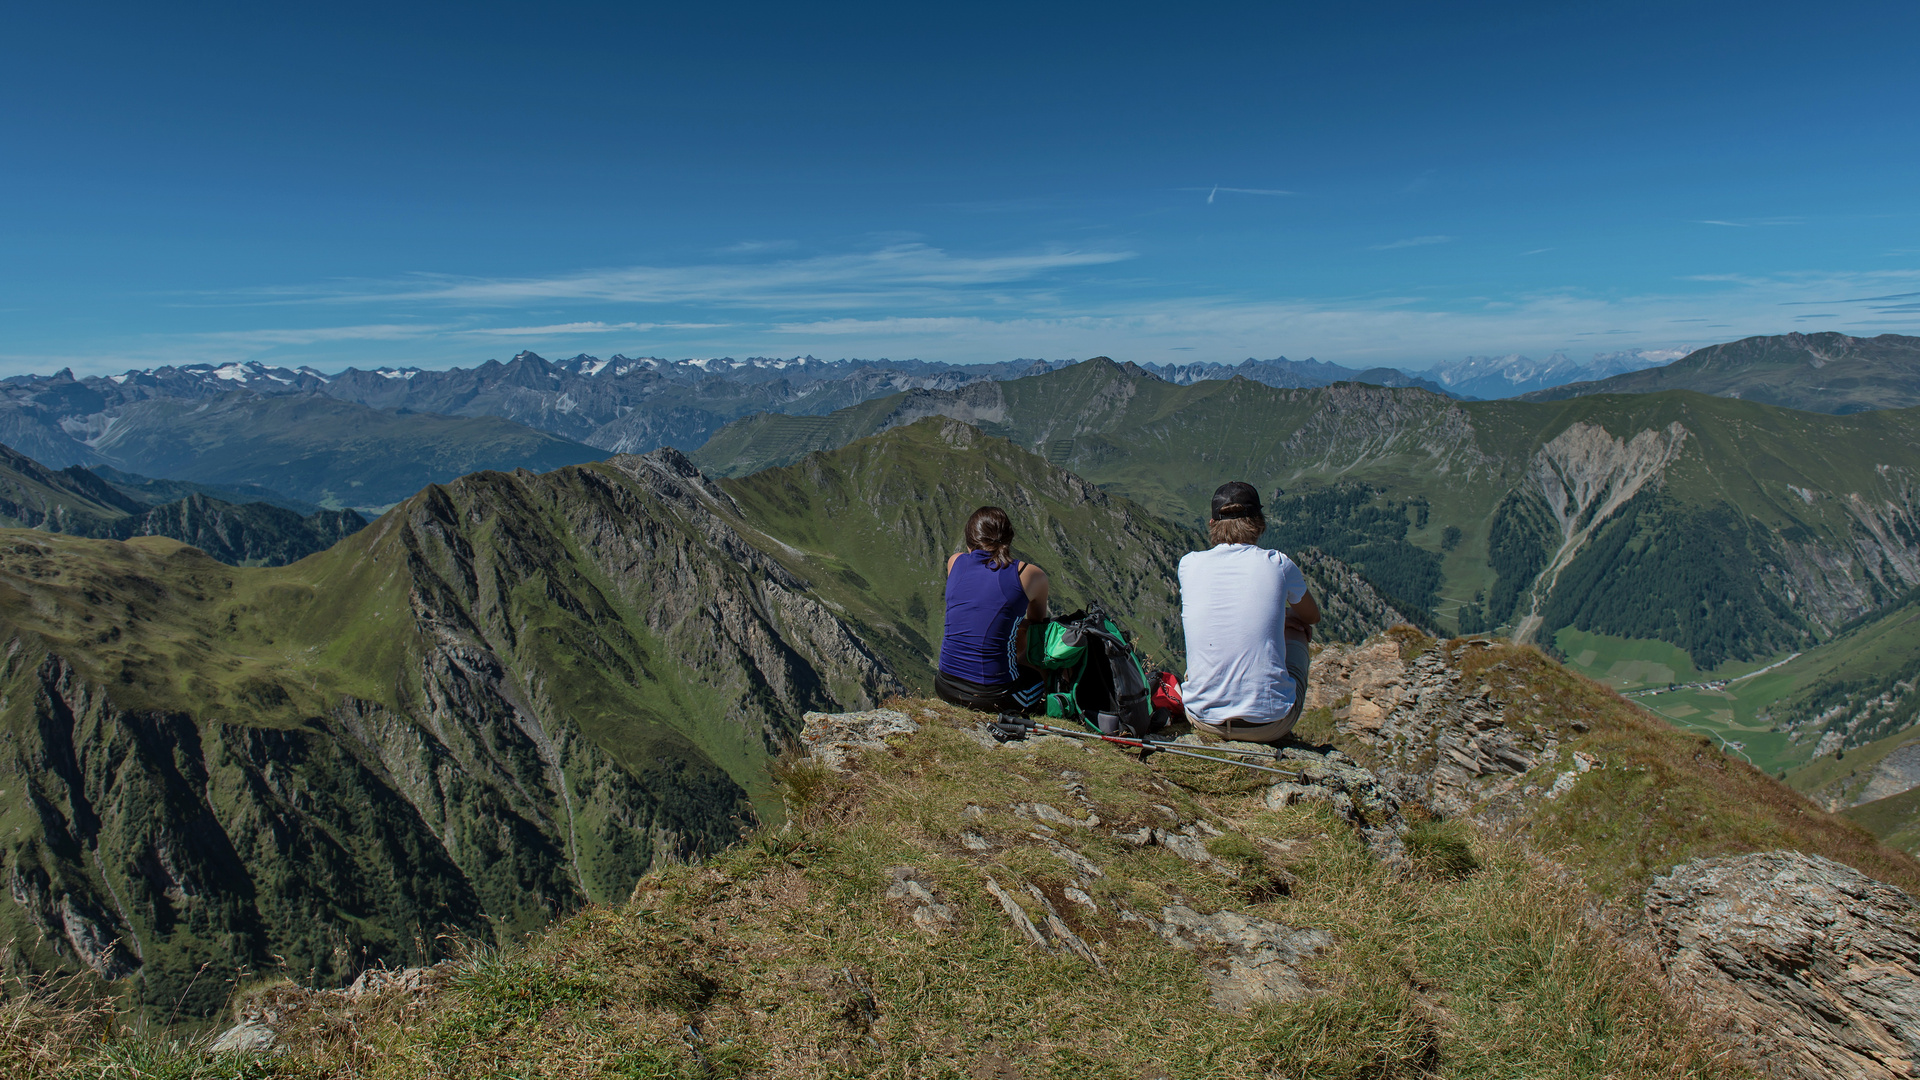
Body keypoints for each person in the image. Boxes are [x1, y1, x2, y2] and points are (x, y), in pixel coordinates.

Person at [1176, 481, 1320, 743]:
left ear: (1212, 523)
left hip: (1203, 719)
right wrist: (1286, 618)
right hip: (1272, 723)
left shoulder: (1189, 564)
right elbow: (1312, 617)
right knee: (1298, 630)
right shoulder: (1278, 563)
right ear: (1259, 522)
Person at [935, 506, 1050, 714]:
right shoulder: (1030, 574)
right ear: (1009, 538)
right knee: (1039, 677)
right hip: (993, 697)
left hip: (944, 686)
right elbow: (1037, 623)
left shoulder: (955, 562)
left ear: (970, 539)